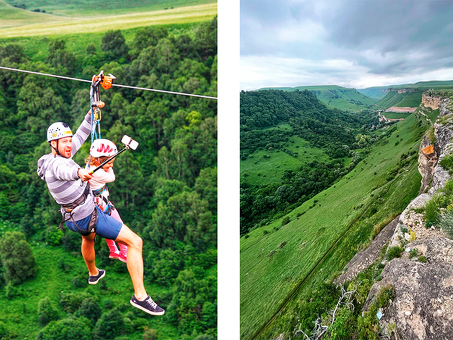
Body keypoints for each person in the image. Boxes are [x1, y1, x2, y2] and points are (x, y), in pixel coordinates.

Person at [36, 108, 164, 316]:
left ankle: (93, 273)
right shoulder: (55, 165)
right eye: (64, 141)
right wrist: (79, 172)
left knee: (88, 239)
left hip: (71, 219)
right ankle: (140, 296)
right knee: (135, 242)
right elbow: (64, 171)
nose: (70, 145)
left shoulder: (62, 153)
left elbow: (81, 135)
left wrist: (90, 115)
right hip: (88, 216)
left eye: (69, 141)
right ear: (53, 144)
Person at [86, 138, 128, 263]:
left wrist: (105, 164)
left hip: (97, 203)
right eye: (109, 163)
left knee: (106, 227)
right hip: (102, 203)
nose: (111, 165)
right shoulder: (97, 173)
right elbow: (112, 177)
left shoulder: (90, 165)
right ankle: (124, 253)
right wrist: (108, 169)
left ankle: (114, 251)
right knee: (119, 225)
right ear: (100, 160)